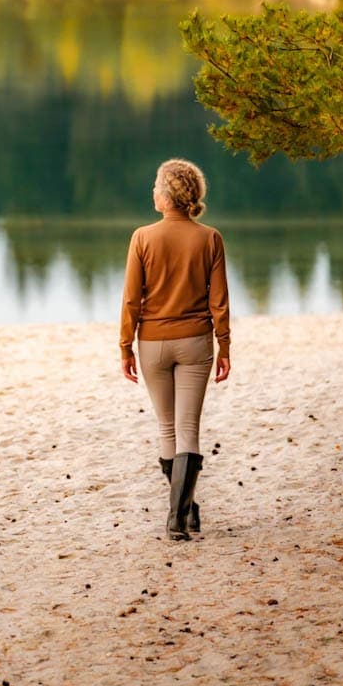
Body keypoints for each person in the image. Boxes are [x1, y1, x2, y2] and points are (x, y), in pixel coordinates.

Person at [120, 158, 230, 541]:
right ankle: (181, 515)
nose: (152, 191)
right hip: (196, 342)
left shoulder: (142, 237)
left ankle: (181, 509)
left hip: (151, 342)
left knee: (167, 428)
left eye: (155, 185)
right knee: (188, 429)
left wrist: (125, 346)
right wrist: (225, 344)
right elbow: (219, 301)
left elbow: (132, 300)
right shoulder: (210, 238)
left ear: (168, 195)